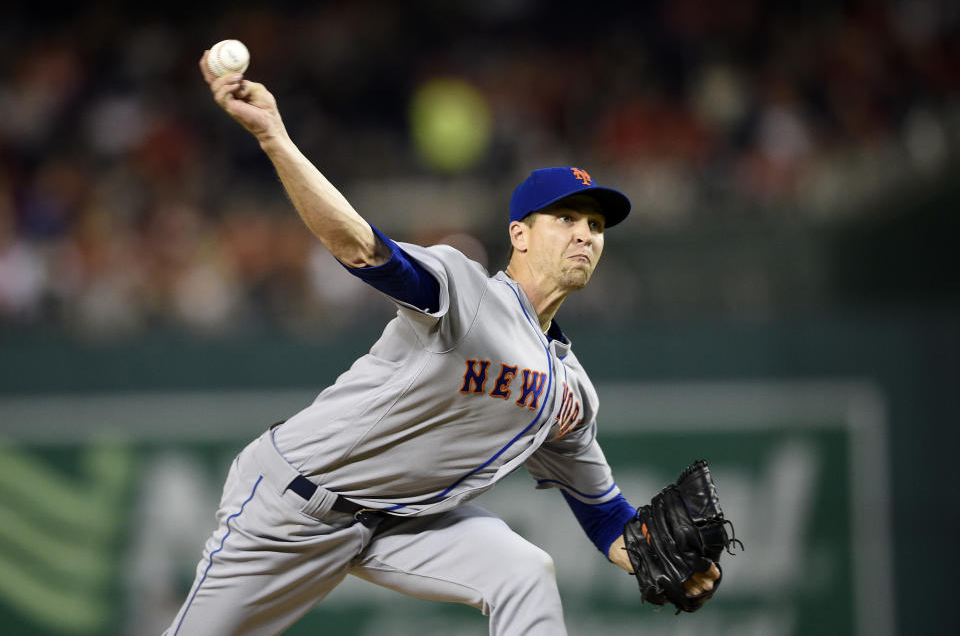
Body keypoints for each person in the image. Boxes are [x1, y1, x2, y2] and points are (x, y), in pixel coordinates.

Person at [165, 51, 720, 636]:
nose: (585, 233)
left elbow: (606, 517)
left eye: (596, 226)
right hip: (293, 506)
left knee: (524, 570)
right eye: (567, 218)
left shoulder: (571, 392)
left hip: (404, 524)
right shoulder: (466, 291)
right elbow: (360, 248)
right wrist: (275, 137)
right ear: (520, 234)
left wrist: (655, 555)